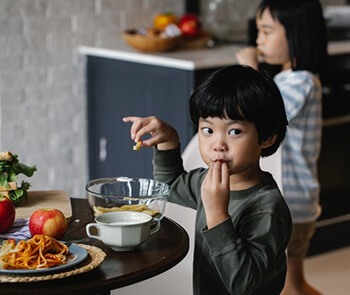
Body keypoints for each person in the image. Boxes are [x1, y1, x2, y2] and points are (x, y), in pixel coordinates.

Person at [123, 65, 292, 295]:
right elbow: (170, 186)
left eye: (234, 132)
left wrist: (217, 214)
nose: (217, 144)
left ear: (267, 137)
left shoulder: (268, 208)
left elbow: (243, 284)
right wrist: (169, 141)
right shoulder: (207, 182)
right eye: (207, 130)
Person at [236, 1, 328, 295]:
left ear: (297, 34)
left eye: (266, 31)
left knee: (289, 288)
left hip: (291, 204)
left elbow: (257, 111)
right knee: (294, 284)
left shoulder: (300, 82)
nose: (259, 40)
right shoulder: (288, 80)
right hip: (295, 203)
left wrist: (248, 70)